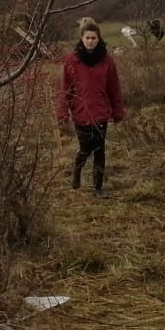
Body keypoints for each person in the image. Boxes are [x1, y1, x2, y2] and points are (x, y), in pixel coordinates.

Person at [57, 17, 126, 197]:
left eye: (93, 38)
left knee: (99, 150)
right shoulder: (72, 61)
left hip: (101, 111)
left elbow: (114, 88)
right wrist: (63, 111)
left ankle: (97, 188)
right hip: (81, 112)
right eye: (87, 38)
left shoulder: (107, 61)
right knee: (85, 148)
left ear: (98, 38)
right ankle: (77, 170)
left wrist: (117, 111)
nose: (90, 41)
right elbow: (65, 88)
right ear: (82, 38)